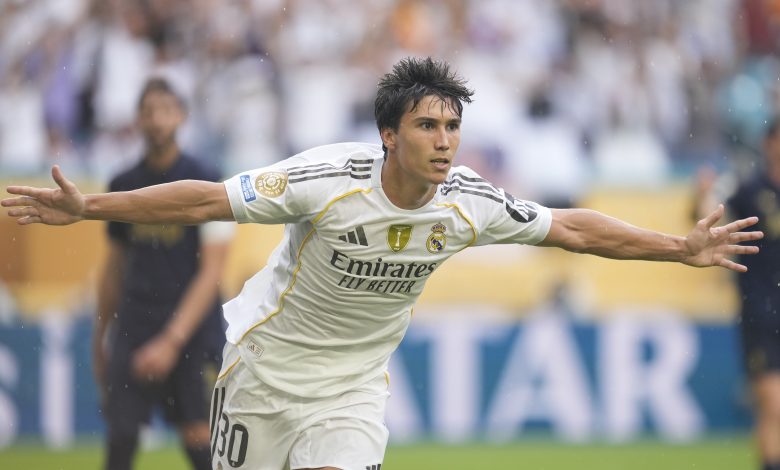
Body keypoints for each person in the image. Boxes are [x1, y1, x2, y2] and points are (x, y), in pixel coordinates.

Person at [3, 57, 763, 470]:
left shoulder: (466, 201)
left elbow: (568, 227)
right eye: (427, 125)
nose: (445, 140)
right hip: (264, 376)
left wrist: (678, 247)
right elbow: (206, 199)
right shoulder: (325, 180)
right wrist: (90, 207)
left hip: (353, 391)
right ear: (389, 136)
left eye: (453, 126)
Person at [92, 78, 232, 470]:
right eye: (148, 111)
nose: (156, 120)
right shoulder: (123, 185)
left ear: (182, 117)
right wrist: (99, 338)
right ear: (137, 119)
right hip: (135, 323)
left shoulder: (208, 180)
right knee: (120, 440)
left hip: (193, 330)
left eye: (165, 110)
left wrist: (171, 342)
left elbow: (212, 273)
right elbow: (114, 268)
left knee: (202, 445)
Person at [694, 118, 780, 470]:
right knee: (773, 404)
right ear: (769, 144)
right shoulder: (750, 190)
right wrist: (703, 194)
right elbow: (708, 220)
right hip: (762, 313)